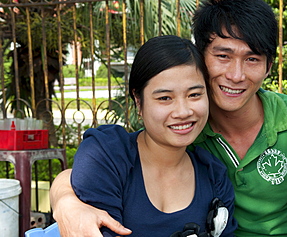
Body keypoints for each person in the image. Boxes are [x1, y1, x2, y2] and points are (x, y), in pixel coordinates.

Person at [50, 0, 287, 236]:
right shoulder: (184, 124)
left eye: (252, 59)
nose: (236, 75)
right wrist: (65, 200)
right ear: (200, 58)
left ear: (268, 66)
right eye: (223, 56)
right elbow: (110, 162)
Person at [57, 35, 237, 237]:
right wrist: (63, 197)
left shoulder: (214, 176)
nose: (183, 111)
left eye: (194, 94)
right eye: (164, 98)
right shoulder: (107, 156)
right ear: (139, 101)